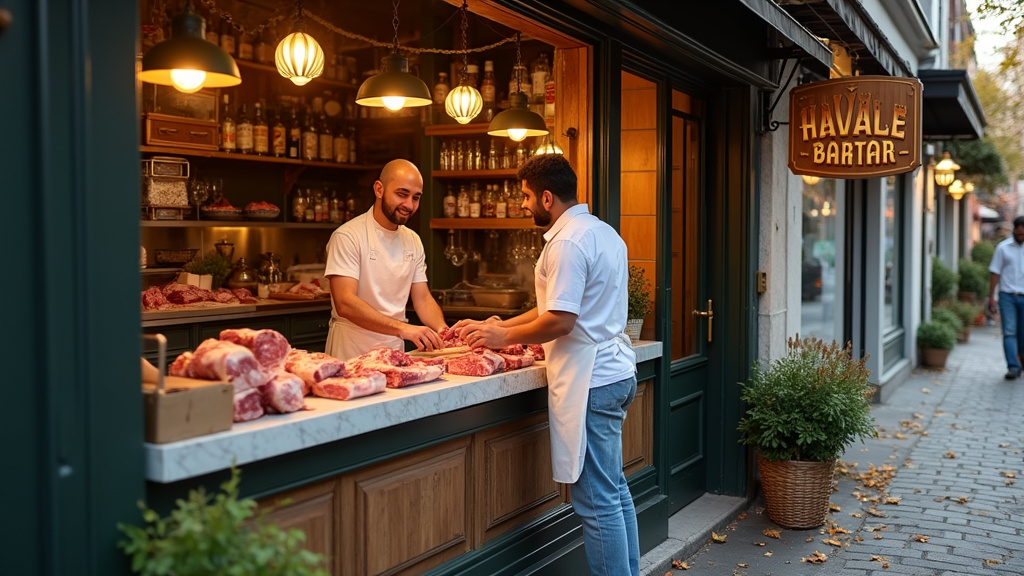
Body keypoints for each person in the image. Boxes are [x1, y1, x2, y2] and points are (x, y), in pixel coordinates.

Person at [454, 154, 639, 576]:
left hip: (591, 380)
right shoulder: (602, 232)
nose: (522, 204)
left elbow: (560, 321)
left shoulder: (568, 242)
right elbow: (552, 307)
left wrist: (502, 339)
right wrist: (498, 325)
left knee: (596, 501)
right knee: (614, 491)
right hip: (613, 372)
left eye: (525, 196)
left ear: (547, 197)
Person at [324, 158, 446, 361]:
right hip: (351, 351)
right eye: (402, 194)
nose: (409, 205)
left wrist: (442, 330)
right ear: (379, 189)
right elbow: (345, 302)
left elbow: (423, 299)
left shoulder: (413, 240)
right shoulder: (348, 236)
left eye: (416, 198)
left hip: (393, 350)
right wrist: (403, 328)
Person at [988, 215, 1024, 380]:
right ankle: (1013, 367)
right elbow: (995, 272)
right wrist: (991, 297)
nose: (1020, 236)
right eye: (1018, 233)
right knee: (1009, 332)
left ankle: (1021, 360)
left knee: (1022, 333)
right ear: (1014, 230)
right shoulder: (1003, 248)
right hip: (1007, 296)